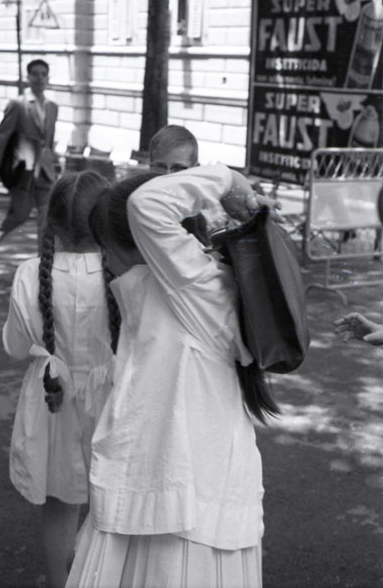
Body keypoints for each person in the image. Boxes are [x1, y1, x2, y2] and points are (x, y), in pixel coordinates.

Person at [66, 164, 279, 588]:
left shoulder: (195, 286)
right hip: (167, 493)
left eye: (106, 246)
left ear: (142, 242)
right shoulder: (176, 291)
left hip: (188, 510)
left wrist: (228, 181)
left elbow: (147, 204)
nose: (104, 259)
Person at [2, 170, 114, 588]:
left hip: (51, 404)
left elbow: (16, 347)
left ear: (53, 222)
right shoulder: (122, 274)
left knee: (58, 505)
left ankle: (59, 582)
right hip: (111, 402)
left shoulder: (31, 273)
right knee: (111, 507)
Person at [0, 59, 59, 255]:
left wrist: (53, 161)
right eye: (35, 74)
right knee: (20, 213)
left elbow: (49, 140)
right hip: (23, 168)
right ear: (28, 77)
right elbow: (2, 135)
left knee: (46, 216)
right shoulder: (17, 104)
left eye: (43, 74)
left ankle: (42, 260)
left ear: (48, 78)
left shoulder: (52, 106)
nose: (39, 78)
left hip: (45, 170)